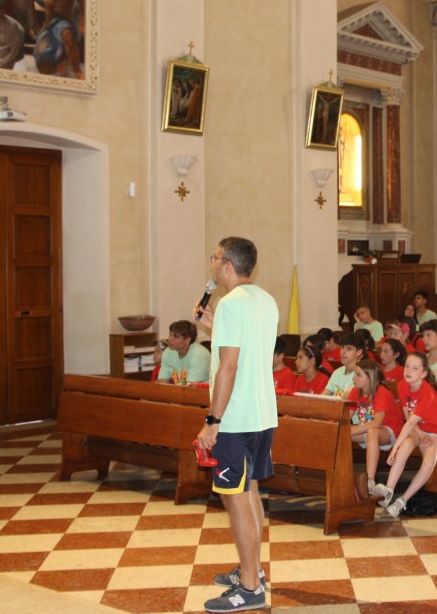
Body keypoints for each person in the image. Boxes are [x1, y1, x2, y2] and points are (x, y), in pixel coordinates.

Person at [194, 237, 278, 612]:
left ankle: (250, 588)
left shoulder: (231, 303)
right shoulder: (265, 299)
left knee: (235, 498)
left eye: (214, 258)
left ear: (228, 264)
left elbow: (228, 367)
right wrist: (216, 328)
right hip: (262, 414)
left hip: (235, 419)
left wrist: (212, 420)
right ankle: (252, 570)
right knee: (250, 491)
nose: (212, 263)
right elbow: (246, 350)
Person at [371, 352, 437, 518]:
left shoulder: (428, 393)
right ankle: (389, 490)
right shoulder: (402, 385)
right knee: (405, 446)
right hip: (416, 429)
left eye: (415, 368)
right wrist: (413, 437)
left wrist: (393, 448)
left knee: (428, 464)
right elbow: (408, 417)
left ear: (424, 373)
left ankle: (402, 501)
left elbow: (410, 422)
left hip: (433, 432)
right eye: (407, 366)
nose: (409, 371)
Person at [347, 360, 403, 496]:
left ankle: (370, 481)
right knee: (340, 432)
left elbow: (376, 423)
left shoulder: (381, 392)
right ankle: (340, 474)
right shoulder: (355, 391)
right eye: (354, 374)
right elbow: (346, 417)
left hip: (389, 432)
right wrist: (342, 429)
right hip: (367, 429)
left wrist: (351, 430)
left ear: (370, 378)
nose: (354, 378)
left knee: (372, 432)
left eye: (358, 375)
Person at [156, 320, 211, 384]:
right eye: (170, 334)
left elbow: (191, 388)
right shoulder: (168, 352)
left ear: (187, 340)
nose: (170, 339)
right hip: (181, 389)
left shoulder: (199, 355)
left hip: (204, 390)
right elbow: (162, 383)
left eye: (176, 337)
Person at [322, 333, 365, 398]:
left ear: (358, 352)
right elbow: (324, 395)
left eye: (349, 349)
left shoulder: (362, 374)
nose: (343, 352)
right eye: (342, 347)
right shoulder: (337, 372)